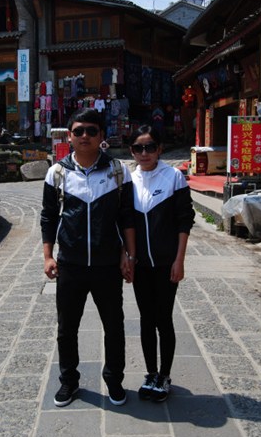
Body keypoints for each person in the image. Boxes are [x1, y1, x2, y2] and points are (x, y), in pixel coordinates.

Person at [41, 108, 136, 407]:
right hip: (71, 265)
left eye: (92, 131)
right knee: (66, 328)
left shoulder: (118, 171)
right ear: (69, 136)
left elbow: (127, 217)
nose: (85, 136)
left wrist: (129, 255)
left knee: (114, 326)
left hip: (107, 266)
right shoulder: (57, 173)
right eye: (78, 131)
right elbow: (48, 217)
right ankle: (69, 381)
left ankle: (114, 380)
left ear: (101, 136)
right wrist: (48, 256)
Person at [127, 124, 194, 402]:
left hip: (167, 263)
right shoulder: (129, 180)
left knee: (163, 318)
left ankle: (165, 375)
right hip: (142, 265)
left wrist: (179, 260)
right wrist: (129, 258)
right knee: (146, 319)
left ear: (159, 149)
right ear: (132, 151)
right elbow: (126, 223)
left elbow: (184, 221)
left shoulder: (174, 177)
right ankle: (151, 373)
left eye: (150, 147)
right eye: (138, 148)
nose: (144, 153)